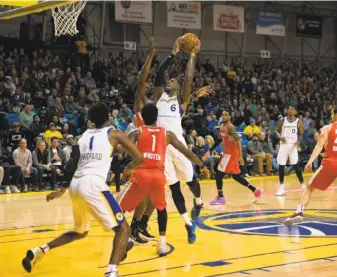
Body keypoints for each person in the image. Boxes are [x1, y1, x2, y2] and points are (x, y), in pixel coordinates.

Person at [21, 102, 144, 277]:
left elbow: (73, 163)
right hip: (93, 184)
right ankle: (111, 272)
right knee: (123, 229)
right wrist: (130, 164)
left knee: (80, 231)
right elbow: (139, 157)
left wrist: (62, 188)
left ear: (91, 120)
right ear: (109, 117)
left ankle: (40, 250)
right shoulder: (115, 133)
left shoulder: (84, 135)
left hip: (76, 185)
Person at [118, 103, 203, 256]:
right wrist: (200, 163)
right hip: (158, 176)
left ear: (142, 117)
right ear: (157, 118)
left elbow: (121, 149)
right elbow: (186, 152)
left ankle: (126, 240)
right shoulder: (167, 134)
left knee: (118, 210)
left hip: (141, 175)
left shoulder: (137, 131)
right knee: (161, 210)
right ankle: (161, 244)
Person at [153, 36, 208, 243]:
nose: (170, 81)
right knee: (174, 187)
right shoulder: (159, 96)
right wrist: (173, 53)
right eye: (169, 80)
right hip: (162, 149)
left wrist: (193, 55)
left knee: (191, 181)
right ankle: (187, 224)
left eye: (173, 80)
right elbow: (158, 75)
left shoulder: (182, 101)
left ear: (178, 85)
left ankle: (199, 201)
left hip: (179, 147)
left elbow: (188, 77)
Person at [284, 106, 337, 224]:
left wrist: (309, 162)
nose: (331, 115)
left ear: (335, 114)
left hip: (331, 163)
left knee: (309, 187)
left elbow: (319, 146)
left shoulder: (328, 128)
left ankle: (299, 212)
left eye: (332, 113)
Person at [205, 111, 262, 205]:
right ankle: (255, 191)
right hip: (229, 153)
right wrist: (210, 149)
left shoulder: (230, 127)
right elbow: (219, 139)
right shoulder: (222, 127)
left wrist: (240, 156)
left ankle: (221, 198)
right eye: (222, 115)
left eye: (225, 115)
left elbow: (238, 140)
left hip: (231, 154)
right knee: (236, 176)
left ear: (230, 117)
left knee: (219, 174)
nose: (223, 116)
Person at [275, 105, 305, 196]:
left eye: (292, 109)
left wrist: (299, 141)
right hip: (283, 145)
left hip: (293, 145)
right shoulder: (282, 120)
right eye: (289, 109)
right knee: (281, 165)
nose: (290, 110)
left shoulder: (298, 121)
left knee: (295, 165)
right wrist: (280, 137)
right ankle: (281, 187)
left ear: (295, 111)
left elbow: (301, 133)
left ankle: (303, 184)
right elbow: (276, 131)